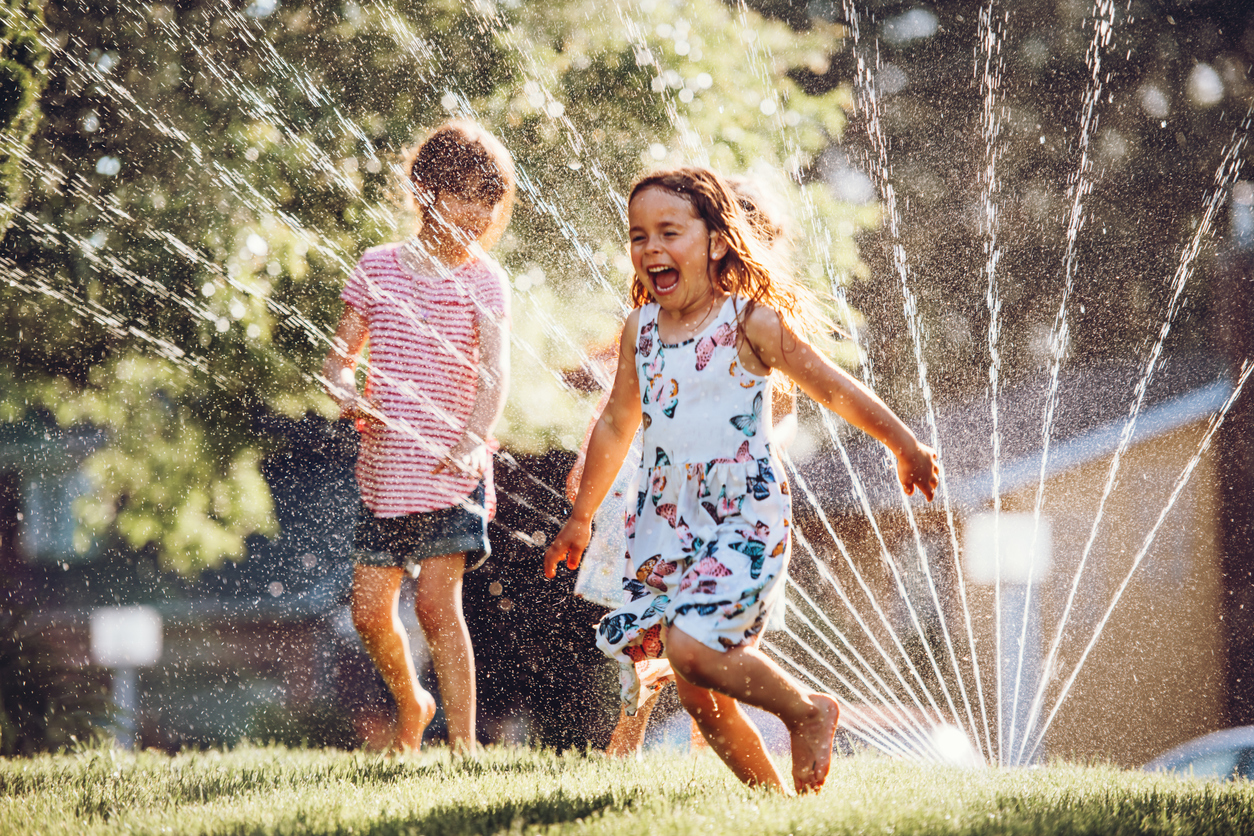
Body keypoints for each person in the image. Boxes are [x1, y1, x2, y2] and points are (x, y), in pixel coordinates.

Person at [544, 166, 938, 793]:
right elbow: (618, 424)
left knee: (691, 650)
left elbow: (832, 389)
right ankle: (776, 809)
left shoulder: (750, 322)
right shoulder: (640, 331)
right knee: (702, 699)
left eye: (669, 232)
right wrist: (582, 514)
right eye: (638, 235)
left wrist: (904, 443)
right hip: (665, 524)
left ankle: (807, 711)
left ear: (718, 242)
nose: (651, 249)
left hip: (741, 515)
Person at [566, 178, 798, 758]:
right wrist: (585, 492)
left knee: (709, 639)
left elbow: (780, 413)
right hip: (656, 500)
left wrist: (755, 458)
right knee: (646, 627)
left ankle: (703, 748)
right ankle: (626, 741)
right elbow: (619, 412)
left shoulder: (756, 326)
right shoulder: (657, 322)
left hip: (728, 509)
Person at [322, 120, 515, 753]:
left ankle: (464, 745)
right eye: (464, 194)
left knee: (437, 606)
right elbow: (338, 362)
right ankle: (413, 701)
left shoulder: (485, 280)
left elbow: (495, 372)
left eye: (488, 199)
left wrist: (473, 437)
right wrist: (348, 395)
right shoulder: (376, 268)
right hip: (384, 475)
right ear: (425, 190)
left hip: (450, 473)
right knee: (369, 613)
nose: (478, 211)